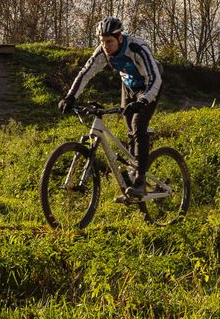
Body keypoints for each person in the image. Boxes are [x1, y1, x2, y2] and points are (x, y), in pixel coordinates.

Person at [59, 16, 163, 196]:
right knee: (130, 129)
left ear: (119, 38)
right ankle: (133, 172)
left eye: (109, 41)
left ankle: (140, 180)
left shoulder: (137, 47)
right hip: (129, 87)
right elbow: (86, 73)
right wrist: (70, 97)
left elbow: (155, 78)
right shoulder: (102, 52)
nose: (105, 46)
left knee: (138, 124)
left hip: (149, 86)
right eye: (102, 41)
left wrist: (144, 100)